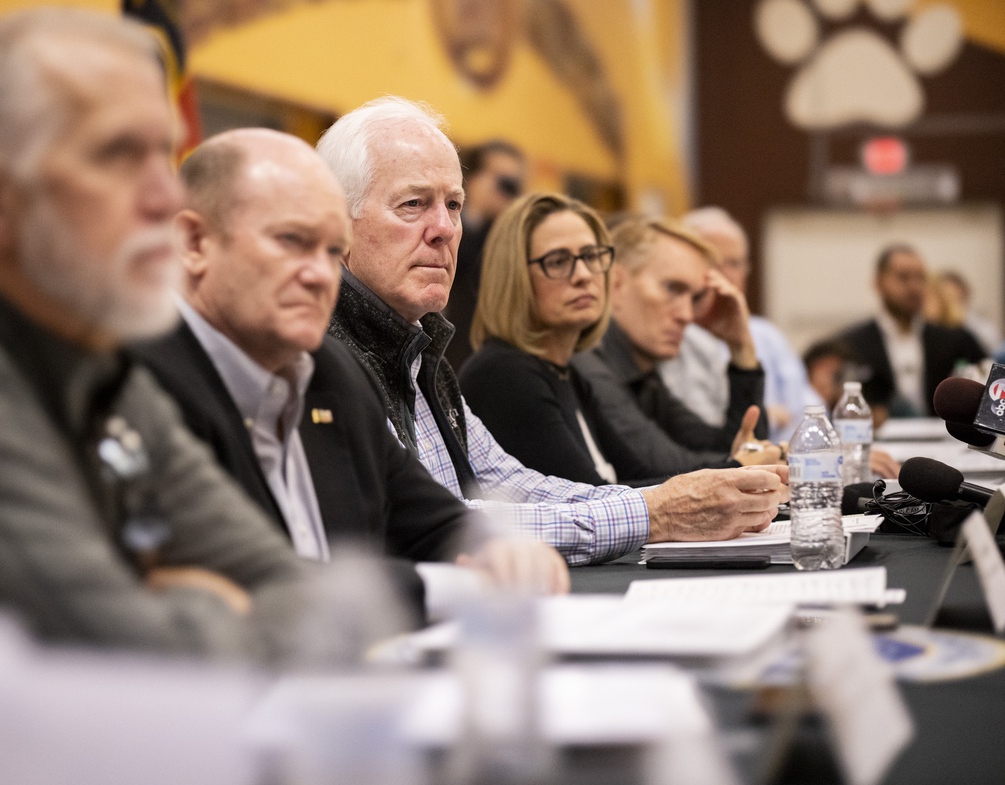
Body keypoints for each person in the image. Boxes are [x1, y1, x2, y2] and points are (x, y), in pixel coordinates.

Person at [0, 9, 310, 658]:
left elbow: (304, 599)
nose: (166, 198)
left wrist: (167, 601)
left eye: (167, 152)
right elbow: (127, 671)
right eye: (119, 155)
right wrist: (206, 599)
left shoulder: (98, 368)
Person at [317, 96, 787, 567]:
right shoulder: (327, 356)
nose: (444, 228)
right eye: (413, 204)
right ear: (337, 224)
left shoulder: (421, 352)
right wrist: (658, 511)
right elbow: (427, 523)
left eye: (454, 204)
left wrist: (673, 503)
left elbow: (513, 483)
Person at [131, 128, 568, 624]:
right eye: (291, 241)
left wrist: (498, 549)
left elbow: (430, 520)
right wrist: (450, 586)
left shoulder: (332, 369)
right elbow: (245, 582)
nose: (320, 274)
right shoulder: (140, 381)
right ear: (194, 242)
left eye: (331, 251)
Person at [459, 192, 759, 486]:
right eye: (558, 261)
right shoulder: (505, 374)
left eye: (591, 257)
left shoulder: (566, 373)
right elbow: (592, 503)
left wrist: (743, 466)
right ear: (515, 277)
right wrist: (741, 468)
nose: (583, 275)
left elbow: (635, 476)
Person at [571, 216, 783, 478]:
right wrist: (750, 463)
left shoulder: (643, 373)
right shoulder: (585, 361)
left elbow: (730, 447)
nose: (687, 315)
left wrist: (741, 350)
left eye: (694, 297)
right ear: (616, 284)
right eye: (672, 288)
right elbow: (658, 468)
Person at [659, 207, 815, 443]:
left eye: (734, 263)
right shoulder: (670, 334)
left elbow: (809, 412)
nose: (725, 275)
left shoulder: (766, 334)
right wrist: (768, 417)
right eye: (713, 263)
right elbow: (702, 434)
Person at [835, 244, 985, 418]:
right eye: (903, 277)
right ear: (878, 283)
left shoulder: (955, 341)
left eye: (920, 277)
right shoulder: (851, 344)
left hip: (943, 439)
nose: (914, 287)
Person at [444, 140, 526, 370]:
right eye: (501, 182)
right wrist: (474, 212)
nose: (506, 191)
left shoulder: (518, 235)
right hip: (459, 353)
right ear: (474, 179)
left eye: (513, 184)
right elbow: (456, 266)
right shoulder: (451, 223)